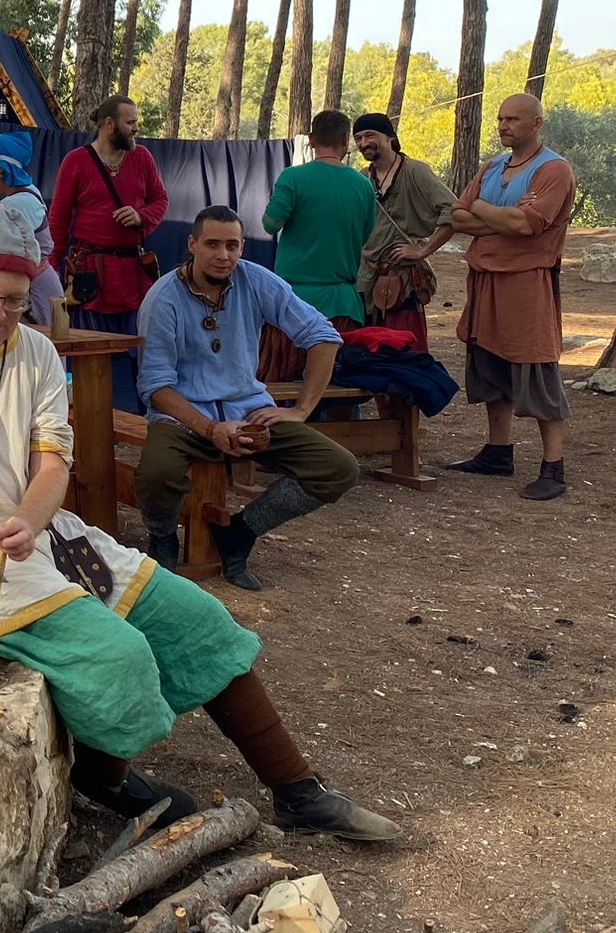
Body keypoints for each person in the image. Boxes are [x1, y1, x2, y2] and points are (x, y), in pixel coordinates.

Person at [0, 201, 399, 841]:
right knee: (120, 657)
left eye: (15, 302)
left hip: (48, 539)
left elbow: (51, 461)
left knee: (201, 622)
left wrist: (34, 521)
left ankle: (298, 790)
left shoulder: (35, 351)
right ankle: (105, 776)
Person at [135, 207, 361, 591]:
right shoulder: (163, 299)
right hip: (184, 418)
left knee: (338, 468)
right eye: (212, 244)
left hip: (250, 411)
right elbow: (157, 387)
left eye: (232, 245)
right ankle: (162, 538)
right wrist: (209, 428)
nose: (223, 255)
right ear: (192, 245)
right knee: (156, 474)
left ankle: (240, 533)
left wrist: (300, 410)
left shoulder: (256, 281)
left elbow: (322, 335)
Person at [446, 94, 578, 502]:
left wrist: (483, 211)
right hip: (485, 280)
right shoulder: (492, 167)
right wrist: (497, 217)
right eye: (501, 119)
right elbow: (456, 215)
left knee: (535, 370)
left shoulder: (553, 170)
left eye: (513, 119)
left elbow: (526, 224)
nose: (504, 126)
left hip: (526, 283)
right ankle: (497, 451)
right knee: (490, 366)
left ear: (536, 123)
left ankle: (552, 467)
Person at [48, 96, 167, 411]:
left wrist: (142, 216)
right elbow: (58, 218)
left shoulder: (141, 158)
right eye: (130, 123)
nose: (135, 129)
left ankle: (148, 421)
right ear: (109, 124)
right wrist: (50, 269)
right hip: (92, 278)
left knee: (144, 354)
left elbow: (160, 199)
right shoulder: (76, 161)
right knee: (90, 355)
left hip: (132, 277)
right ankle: (92, 424)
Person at [352, 113, 457, 349]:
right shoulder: (360, 179)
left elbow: (454, 210)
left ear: (390, 137)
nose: (363, 143)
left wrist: (423, 250)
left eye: (370, 135)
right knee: (365, 348)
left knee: (406, 349)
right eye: (358, 138)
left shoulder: (415, 171)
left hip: (401, 278)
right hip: (365, 277)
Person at [263, 111, 375, 325]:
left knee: (291, 360)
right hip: (343, 306)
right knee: (338, 360)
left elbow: (270, 224)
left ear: (312, 139)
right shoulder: (363, 185)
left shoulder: (292, 178)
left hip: (293, 303)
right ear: (344, 140)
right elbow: (364, 237)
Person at [0, 130, 65, 326]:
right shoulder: (25, 194)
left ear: (0, 168)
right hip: (30, 286)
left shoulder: (19, 204)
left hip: (35, 290)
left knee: (42, 349)